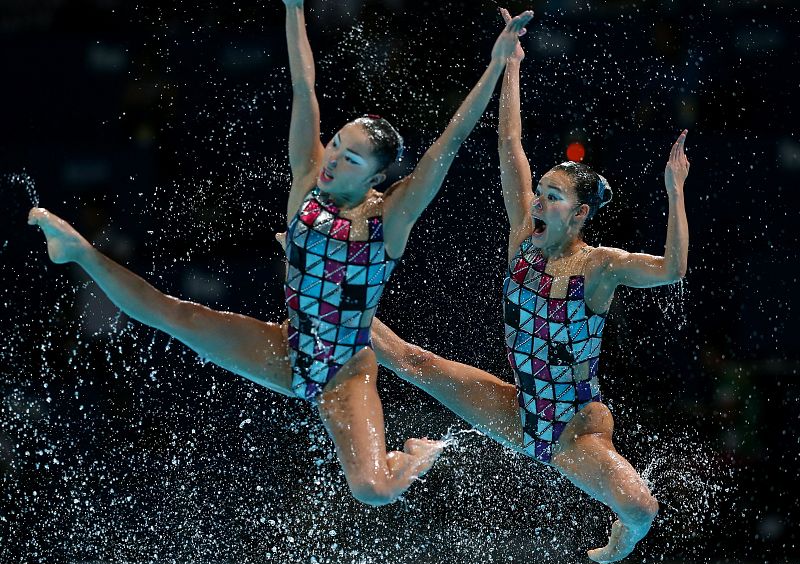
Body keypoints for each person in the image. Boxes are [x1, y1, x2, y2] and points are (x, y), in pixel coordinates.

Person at [27, 4, 534, 507]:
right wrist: (293, 9)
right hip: (288, 349)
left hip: (344, 370)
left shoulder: (391, 218)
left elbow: (450, 142)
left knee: (373, 490)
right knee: (172, 313)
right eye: (336, 144)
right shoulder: (309, 177)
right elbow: (302, 86)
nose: (333, 158)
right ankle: (78, 250)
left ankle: (414, 457)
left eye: (351, 158)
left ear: (376, 176)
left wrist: (496, 65)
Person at [370, 7, 690, 563]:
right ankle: (330, 299)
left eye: (553, 197)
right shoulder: (524, 235)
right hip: (519, 409)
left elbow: (672, 270)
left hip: (573, 430)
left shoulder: (600, 267)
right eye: (539, 192)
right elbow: (509, 144)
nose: (538, 201)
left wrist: (674, 191)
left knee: (642, 508)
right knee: (411, 360)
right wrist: (511, 65)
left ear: (580, 214)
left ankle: (621, 539)